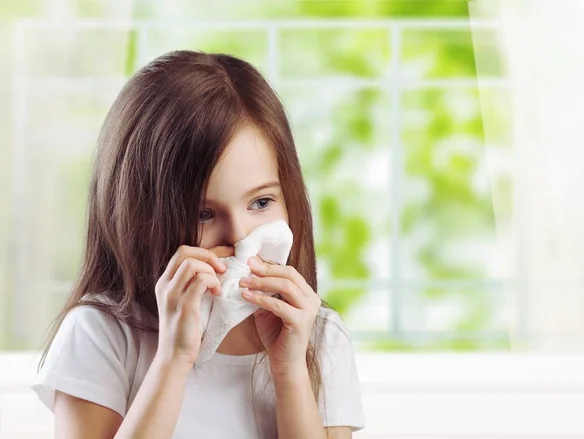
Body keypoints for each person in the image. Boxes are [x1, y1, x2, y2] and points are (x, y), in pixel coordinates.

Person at [31, 50, 365, 438]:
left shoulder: (319, 336)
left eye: (261, 202)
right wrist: (174, 357)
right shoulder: (100, 334)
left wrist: (289, 370)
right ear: (143, 217)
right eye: (204, 214)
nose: (241, 237)